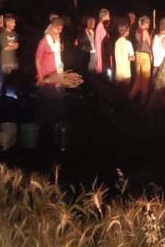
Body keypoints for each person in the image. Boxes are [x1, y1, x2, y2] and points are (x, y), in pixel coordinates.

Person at [34, 17, 83, 150]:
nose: (60, 32)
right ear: (51, 27)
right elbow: (37, 59)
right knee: (47, 108)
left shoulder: (57, 41)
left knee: (57, 107)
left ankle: (56, 139)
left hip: (57, 78)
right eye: (58, 29)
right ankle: (45, 140)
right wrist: (41, 77)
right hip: (46, 79)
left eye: (61, 29)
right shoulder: (44, 42)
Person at [129, 16, 152, 104]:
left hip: (138, 54)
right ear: (145, 23)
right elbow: (150, 44)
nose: (149, 26)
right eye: (148, 24)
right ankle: (143, 100)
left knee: (138, 78)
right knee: (145, 78)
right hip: (145, 55)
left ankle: (131, 97)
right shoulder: (145, 31)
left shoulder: (137, 31)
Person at [0, 14, 19, 97]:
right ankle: (3, 95)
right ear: (7, 23)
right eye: (13, 22)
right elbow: (6, 47)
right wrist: (13, 46)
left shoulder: (15, 34)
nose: (15, 24)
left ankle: (17, 95)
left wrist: (12, 46)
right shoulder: (3, 34)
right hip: (6, 60)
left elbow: (17, 45)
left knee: (16, 79)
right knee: (6, 79)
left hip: (14, 59)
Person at [114, 23, 135, 89]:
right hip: (126, 73)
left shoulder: (116, 42)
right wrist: (131, 58)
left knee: (118, 92)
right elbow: (133, 58)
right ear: (125, 32)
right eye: (128, 30)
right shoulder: (128, 43)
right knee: (126, 90)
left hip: (118, 73)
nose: (129, 32)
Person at [94, 9, 111, 75]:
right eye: (108, 16)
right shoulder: (100, 27)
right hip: (103, 58)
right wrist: (98, 60)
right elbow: (98, 44)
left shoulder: (103, 26)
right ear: (104, 17)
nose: (109, 18)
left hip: (105, 57)